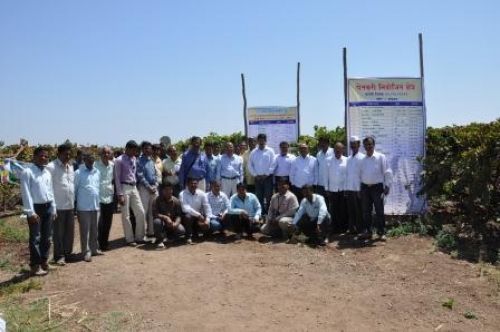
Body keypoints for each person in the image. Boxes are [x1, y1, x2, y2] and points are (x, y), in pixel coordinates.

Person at [20, 146, 57, 276]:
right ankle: (35, 265)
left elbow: (50, 191)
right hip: (35, 208)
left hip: (47, 207)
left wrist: (53, 208)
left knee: (47, 237)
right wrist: (30, 212)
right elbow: (26, 193)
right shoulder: (27, 172)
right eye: (41, 155)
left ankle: (44, 262)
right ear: (34, 157)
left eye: (46, 156)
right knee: (35, 237)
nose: (44, 158)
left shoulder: (47, 172)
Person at [46, 143, 74, 266]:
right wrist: (52, 207)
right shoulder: (51, 167)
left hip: (70, 205)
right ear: (58, 154)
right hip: (58, 205)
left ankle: (67, 254)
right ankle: (59, 256)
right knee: (58, 233)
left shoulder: (71, 167)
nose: (68, 156)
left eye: (69, 154)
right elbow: (48, 187)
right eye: (65, 154)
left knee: (69, 232)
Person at [359, 136, 393, 240]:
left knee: (379, 210)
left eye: (370, 144)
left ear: (374, 145)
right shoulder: (362, 160)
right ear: (364, 146)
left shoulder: (380, 157)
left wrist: (387, 186)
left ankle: (381, 232)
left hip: (377, 188)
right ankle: (368, 232)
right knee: (366, 212)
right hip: (365, 188)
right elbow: (359, 175)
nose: (368, 146)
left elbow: (387, 172)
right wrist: (360, 189)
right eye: (366, 144)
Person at [114, 140, 146, 246]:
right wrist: (120, 194)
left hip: (133, 186)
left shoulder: (134, 158)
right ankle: (130, 239)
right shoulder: (119, 160)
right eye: (133, 150)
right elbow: (117, 178)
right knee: (126, 215)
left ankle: (139, 237)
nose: (135, 152)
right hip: (124, 187)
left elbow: (134, 173)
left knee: (141, 212)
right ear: (127, 148)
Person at [74, 153, 101, 262]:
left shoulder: (97, 172)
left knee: (94, 229)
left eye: (92, 159)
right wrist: (74, 205)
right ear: (84, 160)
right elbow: (74, 190)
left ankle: (94, 249)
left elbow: (97, 188)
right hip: (83, 206)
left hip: (95, 205)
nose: (91, 161)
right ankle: (86, 252)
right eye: (89, 159)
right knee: (85, 231)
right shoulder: (78, 173)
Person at [137, 141, 159, 240]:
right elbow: (140, 176)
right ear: (142, 149)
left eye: (149, 148)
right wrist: (148, 187)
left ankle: (151, 232)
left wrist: (155, 185)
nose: (147, 149)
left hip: (154, 188)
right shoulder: (139, 161)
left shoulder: (151, 160)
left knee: (153, 211)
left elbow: (155, 175)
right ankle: (140, 236)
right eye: (145, 148)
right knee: (143, 211)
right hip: (144, 189)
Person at [179, 177, 212, 244]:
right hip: (186, 217)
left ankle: (198, 234)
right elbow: (185, 208)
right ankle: (188, 237)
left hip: (198, 217)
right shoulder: (182, 194)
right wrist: (199, 215)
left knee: (208, 223)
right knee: (188, 216)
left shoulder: (202, 193)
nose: (193, 185)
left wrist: (207, 220)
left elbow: (207, 207)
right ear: (187, 184)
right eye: (191, 183)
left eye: (195, 183)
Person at [152, 182, 185, 248]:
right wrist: (166, 218)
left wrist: (176, 223)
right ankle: (160, 240)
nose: (168, 191)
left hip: (172, 224)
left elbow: (179, 215)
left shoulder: (176, 201)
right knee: (157, 222)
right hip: (162, 224)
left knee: (181, 230)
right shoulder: (156, 200)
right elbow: (155, 214)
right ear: (162, 191)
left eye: (170, 189)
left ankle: (170, 237)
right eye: (166, 190)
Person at [248, 134, 275, 214]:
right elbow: (250, 165)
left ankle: (269, 214)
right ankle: (261, 213)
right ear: (257, 141)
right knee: (259, 197)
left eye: (263, 139)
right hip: (257, 179)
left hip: (267, 178)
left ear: (265, 140)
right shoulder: (253, 152)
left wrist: (266, 174)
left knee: (269, 197)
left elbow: (273, 164)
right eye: (260, 140)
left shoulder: (270, 151)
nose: (261, 141)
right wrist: (256, 175)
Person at [94, 146, 115, 251]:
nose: (106, 155)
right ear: (100, 154)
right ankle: (97, 244)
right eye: (104, 153)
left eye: (108, 153)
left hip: (109, 197)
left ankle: (104, 243)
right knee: (100, 223)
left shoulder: (112, 165)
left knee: (108, 222)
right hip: (99, 198)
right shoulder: (95, 165)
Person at [345, 136, 365, 235]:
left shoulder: (362, 158)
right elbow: (347, 174)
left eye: (355, 145)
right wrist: (346, 188)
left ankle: (360, 230)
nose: (353, 147)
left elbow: (363, 174)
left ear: (359, 145)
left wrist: (360, 189)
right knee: (350, 210)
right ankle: (352, 229)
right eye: (351, 145)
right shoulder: (348, 159)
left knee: (359, 211)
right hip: (349, 188)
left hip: (358, 189)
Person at [326, 142, 348, 234]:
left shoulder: (347, 160)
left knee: (343, 210)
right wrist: (327, 188)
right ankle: (334, 228)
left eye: (340, 149)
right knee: (334, 210)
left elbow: (348, 175)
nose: (338, 151)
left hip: (343, 189)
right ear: (333, 150)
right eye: (336, 149)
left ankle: (343, 228)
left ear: (343, 149)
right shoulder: (328, 160)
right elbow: (326, 175)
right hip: (332, 189)